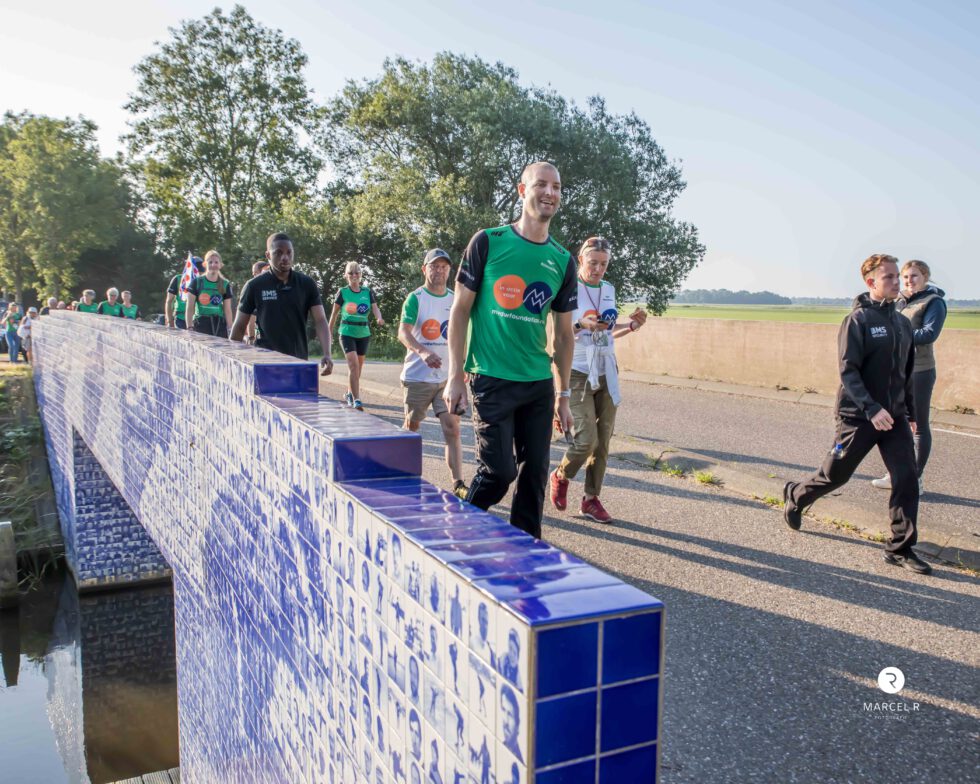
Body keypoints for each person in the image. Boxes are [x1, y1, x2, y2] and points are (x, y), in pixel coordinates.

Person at [444, 161, 577, 538]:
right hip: (491, 377)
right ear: (522, 190)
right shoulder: (488, 241)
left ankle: (526, 555)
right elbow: (460, 310)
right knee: (498, 473)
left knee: (534, 478)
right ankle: (456, 534)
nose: (550, 192)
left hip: (537, 383)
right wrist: (455, 376)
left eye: (556, 187)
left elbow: (564, 336)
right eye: (541, 185)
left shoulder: (563, 261)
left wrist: (563, 396)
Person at [783, 254, 929, 574]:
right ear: (871, 282)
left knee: (907, 478)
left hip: (894, 417)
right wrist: (871, 408)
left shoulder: (902, 324)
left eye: (897, 276)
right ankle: (797, 495)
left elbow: (905, 374)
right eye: (889, 277)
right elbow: (848, 372)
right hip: (858, 416)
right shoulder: (858, 320)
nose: (896, 282)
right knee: (835, 475)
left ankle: (900, 548)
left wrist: (910, 412)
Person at [549, 237, 647, 523]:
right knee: (586, 440)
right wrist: (581, 324)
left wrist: (631, 325)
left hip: (606, 371)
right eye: (593, 263)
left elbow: (606, 331)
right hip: (577, 372)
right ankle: (561, 475)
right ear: (581, 260)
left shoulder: (608, 289)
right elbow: (558, 334)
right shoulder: (569, 288)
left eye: (603, 264)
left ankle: (590, 500)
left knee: (603, 443)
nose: (598, 269)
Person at [398, 248, 467, 499]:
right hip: (418, 377)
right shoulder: (415, 298)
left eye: (444, 267)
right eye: (434, 266)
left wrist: (463, 367)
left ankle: (458, 483)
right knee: (412, 426)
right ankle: (404, 474)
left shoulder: (455, 299)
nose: (439, 271)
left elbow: (463, 335)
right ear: (424, 269)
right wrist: (423, 352)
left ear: (450, 270)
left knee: (452, 428)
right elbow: (403, 332)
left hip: (447, 380)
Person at [872, 259, 946, 493]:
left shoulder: (933, 302)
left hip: (920, 370)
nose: (908, 281)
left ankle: (915, 478)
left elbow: (929, 333)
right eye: (904, 277)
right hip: (898, 370)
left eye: (914, 276)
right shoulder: (898, 301)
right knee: (897, 424)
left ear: (925, 277)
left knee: (919, 426)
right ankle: (897, 473)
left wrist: (895, 333)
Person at [230, 233, 334, 373]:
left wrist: (327, 353)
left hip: (298, 361)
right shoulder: (254, 286)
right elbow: (239, 326)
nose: (285, 257)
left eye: (289, 252)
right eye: (278, 253)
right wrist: (232, 360)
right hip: (265, 363)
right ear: (268, 255)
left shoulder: (306, 284)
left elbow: (320, 320)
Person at [329, 261, 385, 410]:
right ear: (345, 275)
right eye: (351, 273)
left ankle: (349, 393)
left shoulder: (367, 292)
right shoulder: (343, 292)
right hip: (347, 332)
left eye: (357, 272)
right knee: (353, 365)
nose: (354, 275)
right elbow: (334, 314)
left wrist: (379, 318)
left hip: (363, 333)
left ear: (360, 275)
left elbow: (375, 308)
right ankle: (356, 399)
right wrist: (328, 332)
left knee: (358, 368)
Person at [185, 250, 234, 337]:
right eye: (210, 262)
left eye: (216, 262)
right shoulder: (196, 282)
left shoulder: (225, 284)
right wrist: (189, 327)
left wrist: (230, 329)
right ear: (204, 264)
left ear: (221, 265)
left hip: (219, 325)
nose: (213, 265)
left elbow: (227, 310)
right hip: (201, 324)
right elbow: (190, 307)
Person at [165, 257, 204, 329]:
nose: (199, 274)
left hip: (197, 320)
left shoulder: (203, 281)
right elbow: (169, 301)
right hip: (180, 319)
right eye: (197, 271)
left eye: (200, 271)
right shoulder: (178, 279)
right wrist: (170, 321)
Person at [246, 260, 271, 344]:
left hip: (262, 341)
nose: (254, 277)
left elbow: (251, 321)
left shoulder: (257, 291)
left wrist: (251, 338)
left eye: (255, 273)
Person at [500, 684, 523, 763]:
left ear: (518, 725)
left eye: (510, 714)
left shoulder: (519, 761)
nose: (505, 721)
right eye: (503, 709)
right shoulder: (499, 749)